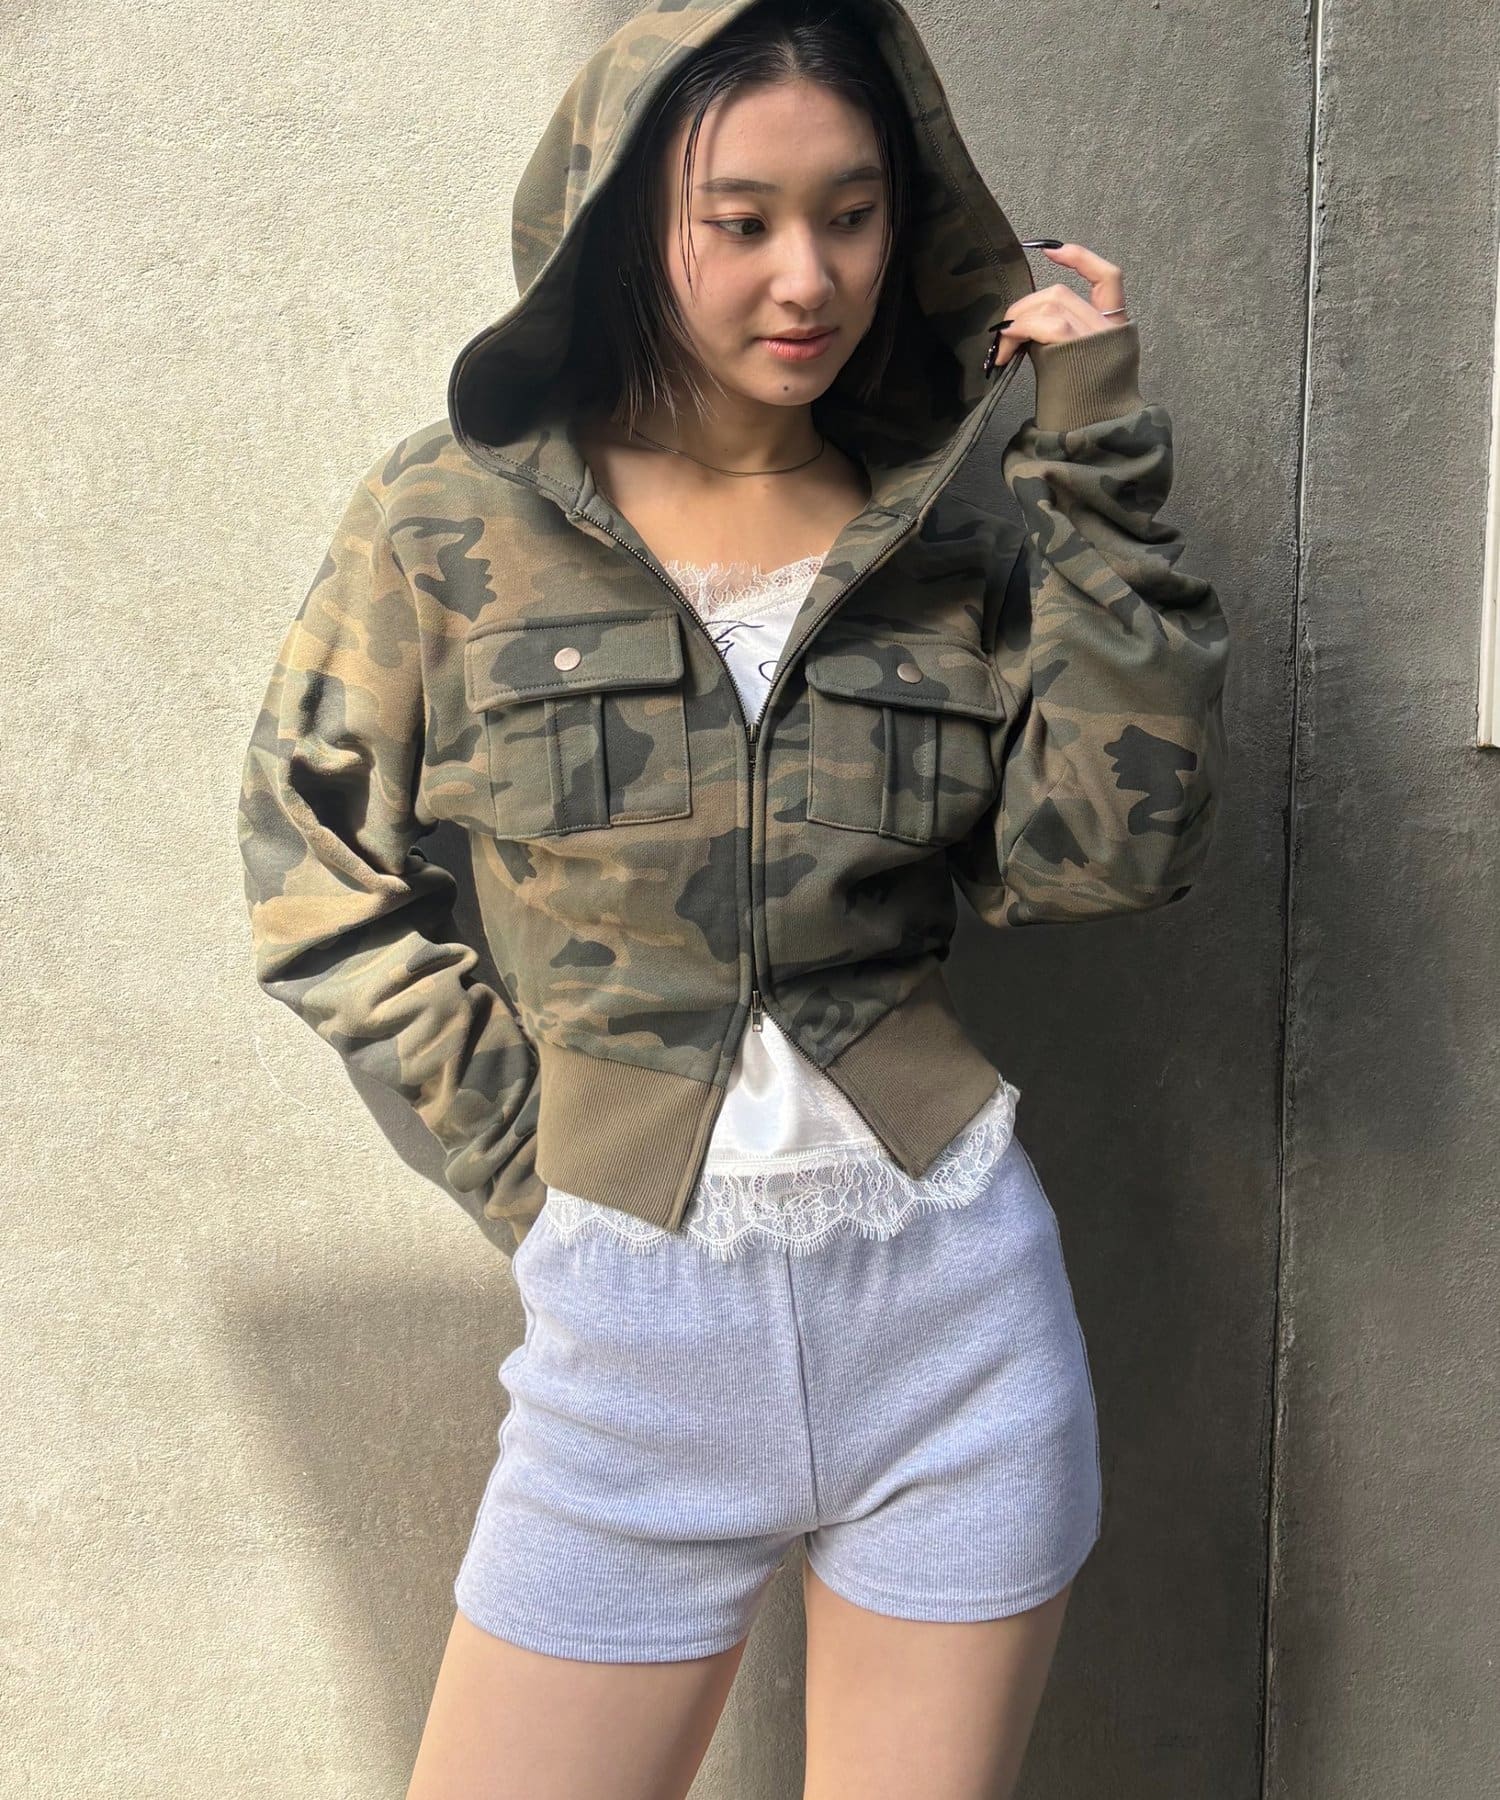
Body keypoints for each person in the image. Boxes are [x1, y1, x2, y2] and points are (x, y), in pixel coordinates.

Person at [237, 0, 1231, 1792]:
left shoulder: (942, 545)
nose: (807, 277)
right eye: (742, 219)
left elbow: (1108, 854)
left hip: (956, 1319)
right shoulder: (451, 519)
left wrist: (1092, 456)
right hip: (631, 1339)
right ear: (630, 219)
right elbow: (313, 865)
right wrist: (534, 1169)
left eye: (852, 215)